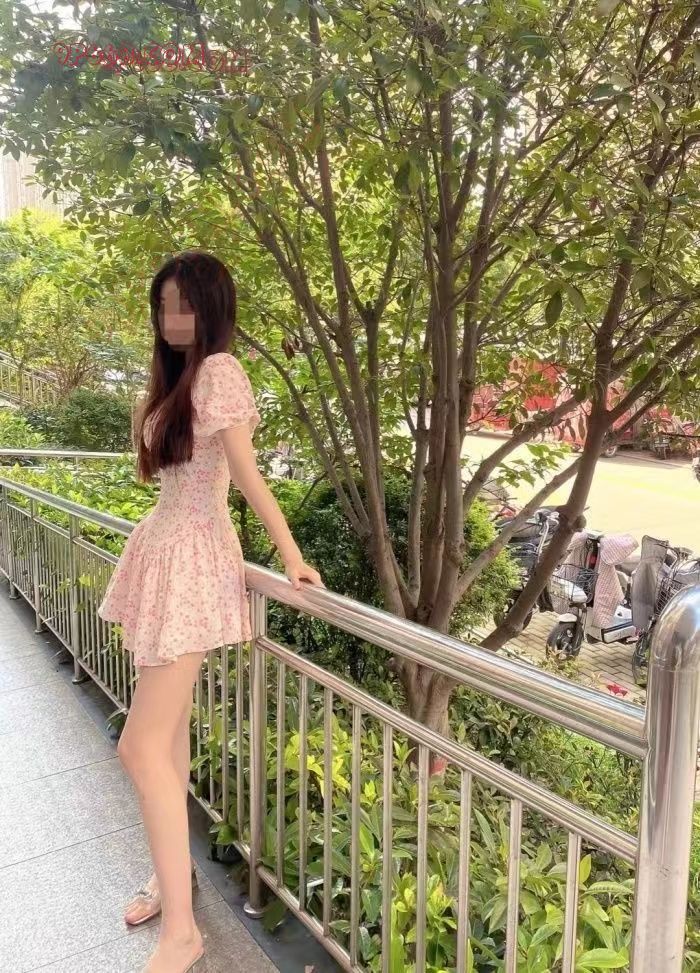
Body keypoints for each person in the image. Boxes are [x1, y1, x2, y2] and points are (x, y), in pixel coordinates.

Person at [97, 250, 324, 973]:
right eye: (164, 306)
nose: (171, 319)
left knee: (139, 746)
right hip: (164, 552)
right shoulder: (178, 376)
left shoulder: (220, 370)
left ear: (211, 308)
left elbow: (245, 472)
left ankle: (184, 933)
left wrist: (290, 554)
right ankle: (173, 882)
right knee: (162, 741)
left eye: (184, 305)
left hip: (192, 559)